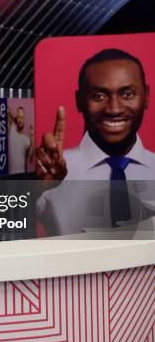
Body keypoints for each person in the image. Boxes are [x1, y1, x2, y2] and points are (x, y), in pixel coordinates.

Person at [36, 48, 155, 234]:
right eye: (99, 96)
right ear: (79, 101)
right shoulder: (49, 173)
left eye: (127, 94)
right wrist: (32, 188)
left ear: (146, 97)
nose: (114, 109)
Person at [7, 106, 34, 173]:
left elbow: (31, 159)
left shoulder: (27, 140)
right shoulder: (11, 130)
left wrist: (32, 138)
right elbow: (6, 110)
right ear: (16, 117)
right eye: (19, 117)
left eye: (22, 118)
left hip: (23, 178)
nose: (20, 120)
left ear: (24, 119)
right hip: (11, 176)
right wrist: (13, 117)